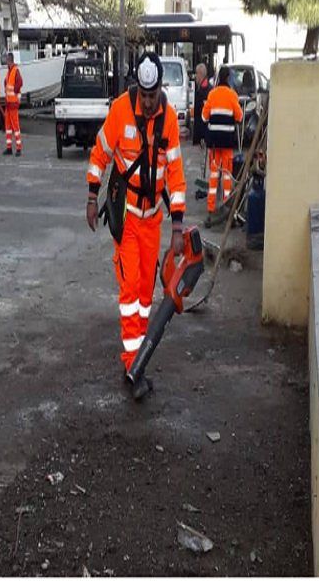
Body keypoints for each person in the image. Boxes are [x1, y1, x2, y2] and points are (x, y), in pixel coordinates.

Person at [85, 52, 186, 400]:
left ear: (159, 89)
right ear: (136, 89)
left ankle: (139, 356)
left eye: (152, 95)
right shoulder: (119, 111)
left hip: (153, 220)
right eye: (143, 95)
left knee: (145, 295)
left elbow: (175, 172)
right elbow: (100, 152)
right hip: (126, 219)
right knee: (130, 294)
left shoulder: (168, 119)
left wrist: (178, 225)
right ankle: (132, 364)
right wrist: (91, 194)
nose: (147, 101)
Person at [201, 66, 243, 224]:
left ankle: (210, 211)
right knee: (226, 176)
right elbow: (239, 117)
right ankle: (227, 210)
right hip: (227, 142)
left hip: (214, 142)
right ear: (229, 78)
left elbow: (204, 117)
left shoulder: (212, 94)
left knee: (213, 176)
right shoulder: (232, 95)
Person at [3, 52, 23, 156]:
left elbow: (20, 82)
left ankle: (18, 148)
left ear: (10, 60)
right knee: (8, 127)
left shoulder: (15, 70)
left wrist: (14, 92)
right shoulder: (10, 71)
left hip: (13, 103)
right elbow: (7, 83)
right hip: (9, 103)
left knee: (15, 127)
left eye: (6, 60)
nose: (6, 61)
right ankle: (9, 148)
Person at [192, 63, 211, 146]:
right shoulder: (205, 87)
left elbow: (201, 113)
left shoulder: (203, 90)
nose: (195, 76)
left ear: (200, 74)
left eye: (196, 73)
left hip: (202, 134)